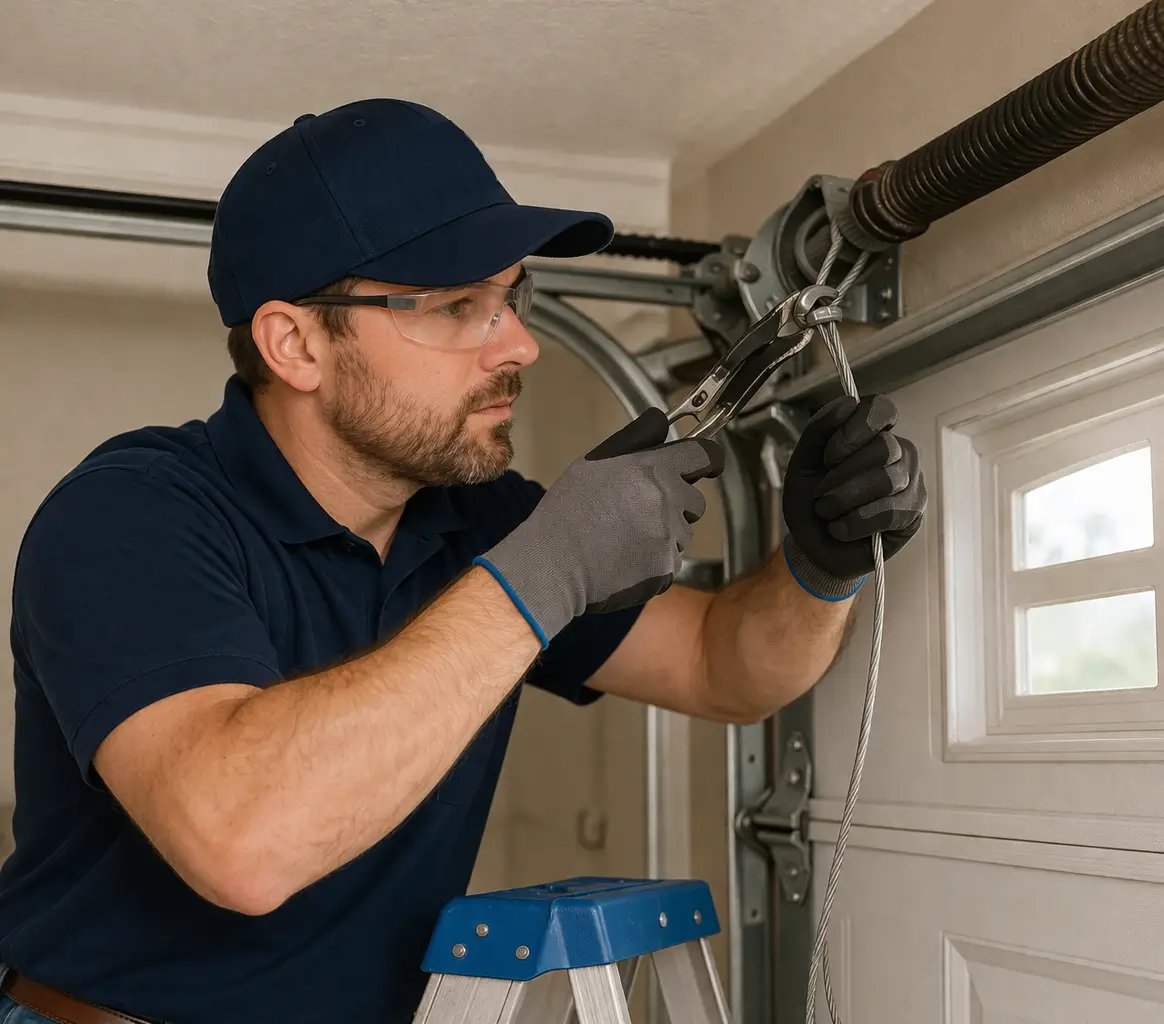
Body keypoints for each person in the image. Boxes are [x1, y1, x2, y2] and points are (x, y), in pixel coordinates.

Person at [0, 98, 926, 1024]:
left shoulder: (481, 521)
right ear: (296, 343)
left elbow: (722, 665)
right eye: (456, 308)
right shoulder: (129, 516)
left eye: (511, 296)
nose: (520, 344)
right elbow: (243, 842)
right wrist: (543, 573)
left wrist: (819, 560)